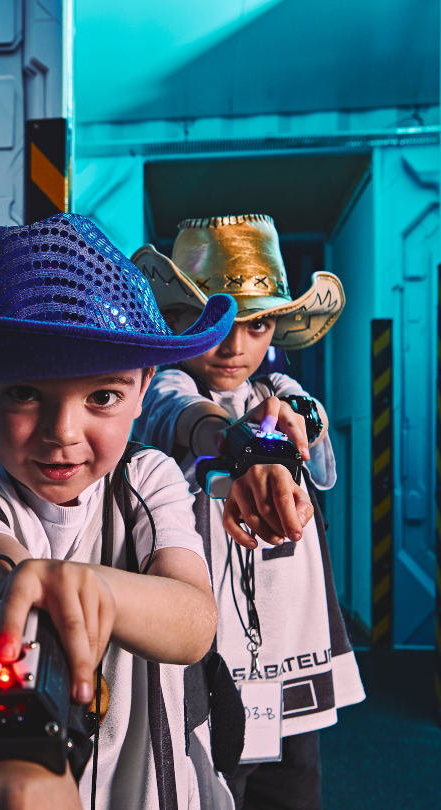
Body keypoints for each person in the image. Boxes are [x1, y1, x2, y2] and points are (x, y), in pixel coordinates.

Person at [0, 214, 244, 810]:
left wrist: (79, 583)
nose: (63, 433)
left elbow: (194, 622)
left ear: (144, 388)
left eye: (102, 396)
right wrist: (22, 588)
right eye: (24, 393)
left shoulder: (147, 478)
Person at [132, 214, 365, 810]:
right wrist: (242, 446)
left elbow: (312, 436)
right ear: (177, 321)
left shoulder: (281, 394)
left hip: (292, 643)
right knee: (210, 787)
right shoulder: (160, 391)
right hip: (211, 650)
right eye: (216, 321)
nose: (237, 346)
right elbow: (188, 417)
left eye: (257, 324)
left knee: (295, 790)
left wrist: (294, 427)